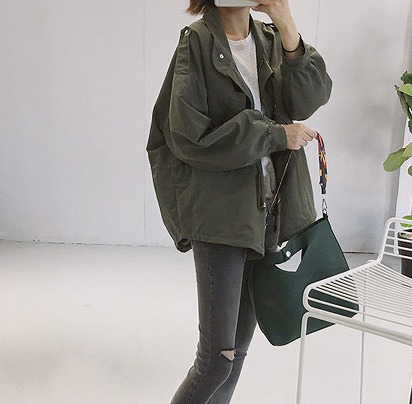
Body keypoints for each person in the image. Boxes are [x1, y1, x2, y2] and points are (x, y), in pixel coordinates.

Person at [147, 0, 332, 402]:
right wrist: (275, 135)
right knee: (217, 358)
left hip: (267, 212)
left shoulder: (271, 39)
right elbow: (188, 136)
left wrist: (285, 22)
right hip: (221, 217)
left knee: (238, 352)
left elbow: (311, 97)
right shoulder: (197, 43)